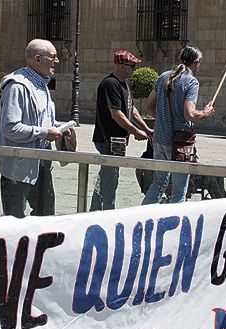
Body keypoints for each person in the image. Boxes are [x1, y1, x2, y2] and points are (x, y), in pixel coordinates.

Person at [0, 39, 65, 218]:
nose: (57, 61)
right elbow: (10, 128)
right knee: (14, 219)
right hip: (18, 166)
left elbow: (40, 120)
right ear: (38, 59)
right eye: (53, 57)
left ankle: (40, 247)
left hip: (41, 161)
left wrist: (58, 128)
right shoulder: (17, 86)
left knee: (46, 215)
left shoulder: (42, 85)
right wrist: (44, 133)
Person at [142, 45, 214, 204]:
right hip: (179, 142)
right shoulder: (191, 82)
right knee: (179, 190)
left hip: (159, 138)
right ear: (196, 62)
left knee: (158, 182)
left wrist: (162, 119)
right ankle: (175, 224)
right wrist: (205, 113)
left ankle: (143, 214)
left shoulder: (163, 77)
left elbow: (148, 106)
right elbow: (189, 114)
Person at [90, 49, 152, 211]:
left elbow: (132, 110)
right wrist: (135, 131)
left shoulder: (124, 85)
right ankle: (106, 212)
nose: (134, 70)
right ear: (123, 66)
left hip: (117, 141)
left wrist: (146, 128)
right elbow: (116, 114)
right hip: (108, 139)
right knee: (110, 179)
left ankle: (96, 210)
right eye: (132, 66)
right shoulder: (110, 84)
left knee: (106, 177)